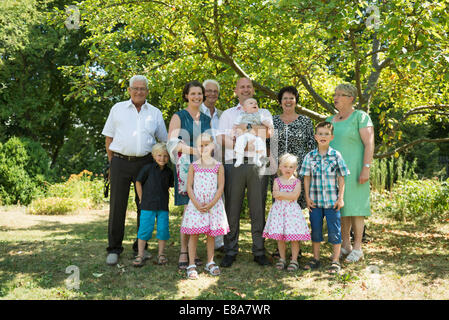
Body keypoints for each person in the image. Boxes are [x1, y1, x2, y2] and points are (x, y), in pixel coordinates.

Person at [102, 75, 168, 266]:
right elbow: (109, 139)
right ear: (129, 90)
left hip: (147, 164)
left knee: (145, 208)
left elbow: (162, 140)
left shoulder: (155, 112)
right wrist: (112, 163)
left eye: (142, 88)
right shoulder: (117, 109)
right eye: (135, 88)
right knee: (117, 207)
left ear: (147, 91)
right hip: (120, 162)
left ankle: (141, 248)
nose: (139, 91)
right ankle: (114, 249)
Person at [217, 77, 273, 267]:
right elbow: (221, 138)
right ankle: (230, 250)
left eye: (249, 86)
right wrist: (239, 143)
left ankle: (259, 250)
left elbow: (268, 133)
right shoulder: (228, 114)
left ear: (253, 90)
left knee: (258, 208)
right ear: (236, 90)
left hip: (258, 163)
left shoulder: (264, 112)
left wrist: (244, 129)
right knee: (232, 208)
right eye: (242, 87)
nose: (246, 89)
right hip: (234, 162)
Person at [326, 83, 374, 263]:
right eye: (335, 94)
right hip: (334, 172)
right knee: (342, 208)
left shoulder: (360, 117)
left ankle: (358, 248)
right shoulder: (330, 119)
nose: (336, 97)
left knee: (356, 209)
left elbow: (369, 143)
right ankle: (345, 246)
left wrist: (366, 167)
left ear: (351, 98)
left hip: (355, 169)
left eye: (340, 94)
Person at [167, 80, 211, 270]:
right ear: (186, 96)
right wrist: (194, 150)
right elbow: (172, 143)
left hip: (204, 168)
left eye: (199, 94)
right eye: (192, 94)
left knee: (201, 207)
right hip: (185, 167)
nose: (196, 97)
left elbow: (211, 143)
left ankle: (194, 251)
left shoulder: (207, 119)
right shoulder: (179, 116)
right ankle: (183, 251)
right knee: (188, 208)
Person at [300, 122, 350, 273]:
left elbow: (342, 178)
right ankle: (316, 258)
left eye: (326, 134)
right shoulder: (310, 156)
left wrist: (340, 198)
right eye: (320, 134)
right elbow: (306, 178)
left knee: (335, 231)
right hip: (314, 202)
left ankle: (335, 260)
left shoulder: (336, 155)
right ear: (315, 137)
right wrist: (307, 197)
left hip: (331, 202)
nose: (323, 136)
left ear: (331, 137)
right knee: (315, 230)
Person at [180, 133, 229, 279]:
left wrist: (211, 204)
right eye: (200, 145)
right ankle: (191, 264)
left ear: (213, 146)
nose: (203, 148)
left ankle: (210, 261)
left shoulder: (218, 166)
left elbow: (221, 187)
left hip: (213, 204)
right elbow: (189, 186)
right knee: (194, 234)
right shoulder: (193, 166)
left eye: (206, 144)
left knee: (210, 234)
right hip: (196, 204)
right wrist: (196, 203)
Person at [262, 153, 311, 272]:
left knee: (294, 238)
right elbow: (275, 194)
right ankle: (282, 258)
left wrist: (282, 194)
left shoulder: (297, 182)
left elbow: (295, 196)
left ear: (295, 168)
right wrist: (287, 195)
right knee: (281, 237)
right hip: (279, 212)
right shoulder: (277, 180)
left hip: (292, 213)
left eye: (291, 167)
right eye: (285, 166)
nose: (288, 169)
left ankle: (294, 260)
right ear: (280, 167)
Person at [133, 143, 174, 267]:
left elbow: (170, 186)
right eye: (159, 155)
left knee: (163, 230)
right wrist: (141, 198)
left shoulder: (169, 172)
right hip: (147, 206)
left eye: (165, 156)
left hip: (162, 206)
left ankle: (161, 254)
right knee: (144, 230)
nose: (162, 158)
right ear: (153, 156)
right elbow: (138, 182)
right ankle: (140, 254)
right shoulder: (147, 168)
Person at [201, 79, 224, 252]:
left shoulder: (223, 115)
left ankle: (219, 242)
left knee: (219, 199)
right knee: (200, 199)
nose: (211, 94)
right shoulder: (195, 112)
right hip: (200, 164)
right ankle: (195, 236)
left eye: (215, 91)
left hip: (220, 162)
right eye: (208, 91)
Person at [233, 98, 271, 167]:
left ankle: (257, 158)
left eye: (256, 103)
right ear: (244, 108)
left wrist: (270, 125)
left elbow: (266, 122)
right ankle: (239, 158)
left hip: (255, 135)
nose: (254, 104)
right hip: (244, 135)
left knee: (259, 142)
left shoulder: (260, 115)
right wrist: (232, 133)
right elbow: (235, 125)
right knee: (239, 142)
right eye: (251, 103)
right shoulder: (241, 115)